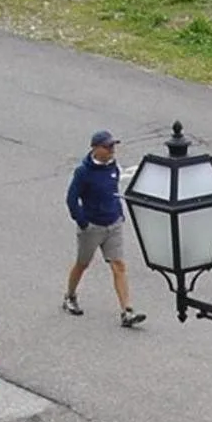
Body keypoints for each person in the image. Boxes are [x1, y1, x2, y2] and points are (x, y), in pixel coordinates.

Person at [63, 129, 146, 328]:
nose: (112, 150)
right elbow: (72, 199)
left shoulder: (113, 167)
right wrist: (83, 222)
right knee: (82, 264)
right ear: (95, 148)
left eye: (113, 146)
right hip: (92, 227)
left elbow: (113, 192)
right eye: (108, 147)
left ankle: (127, 311)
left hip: (113, 224)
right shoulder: (83, 172)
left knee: (119, 265)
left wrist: (119, 213)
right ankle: (70, 296)